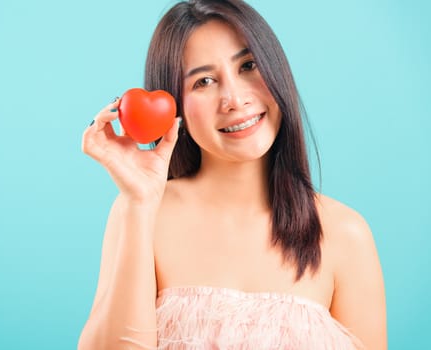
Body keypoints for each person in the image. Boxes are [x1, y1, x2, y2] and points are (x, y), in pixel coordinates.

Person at [78, 0, 386, 349]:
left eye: (248, 65)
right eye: (204, 81)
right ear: (172, 106)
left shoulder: (346, 234)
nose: (234, 99)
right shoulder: (142, 214)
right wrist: (139, 203)